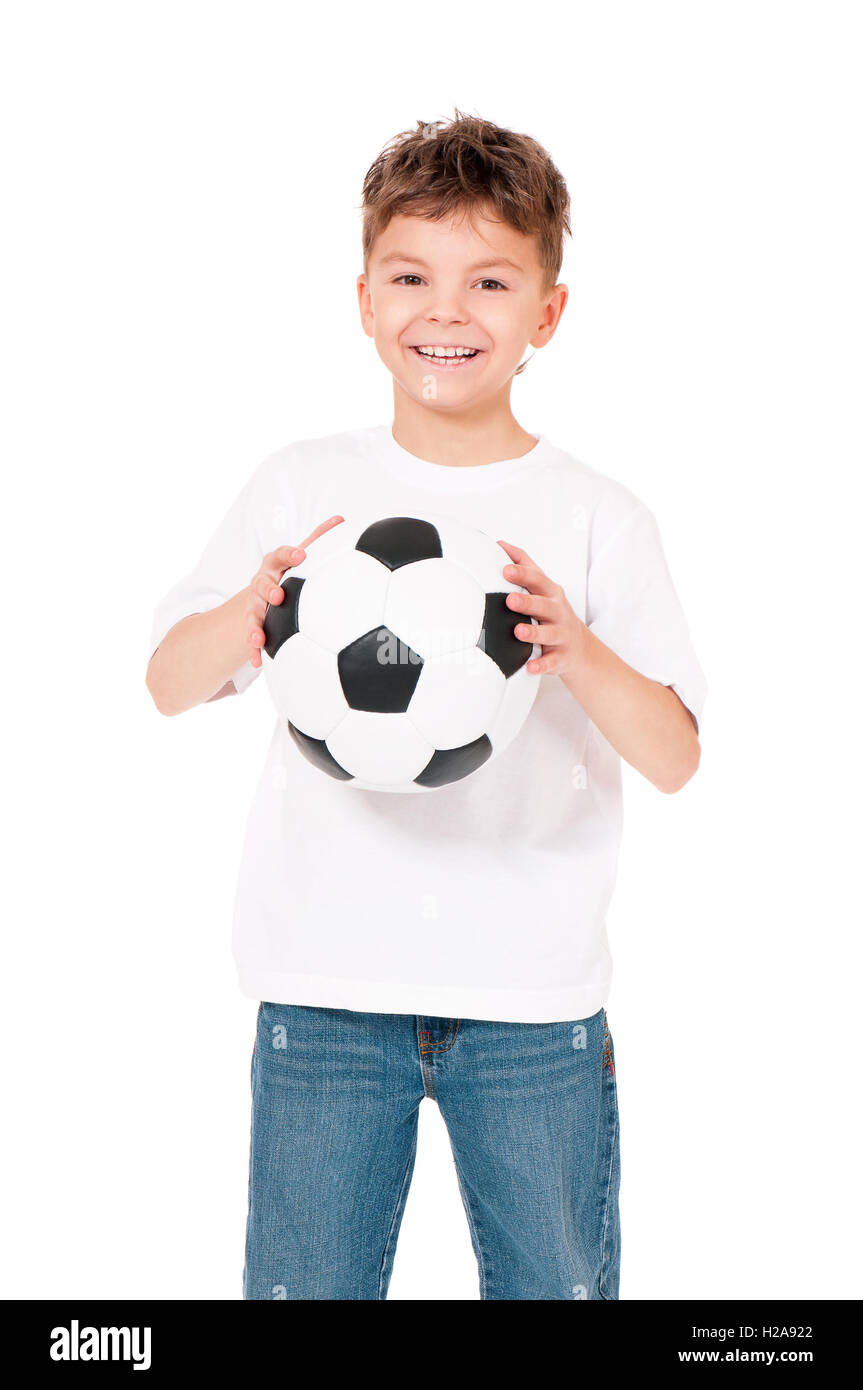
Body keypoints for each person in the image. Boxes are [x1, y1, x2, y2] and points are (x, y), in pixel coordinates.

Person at [146, 109, 707, 1300]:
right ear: (361, 300)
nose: (445, 311)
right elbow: (167, 684)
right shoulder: (302, 488)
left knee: (553, 1284)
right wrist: (249, 607)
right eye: (410, 276)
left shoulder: (599, 513)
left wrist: (579, 649)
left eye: (489, 281)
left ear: (545, 314)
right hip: (323, 994)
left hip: (534, 1004)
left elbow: (673, 756)